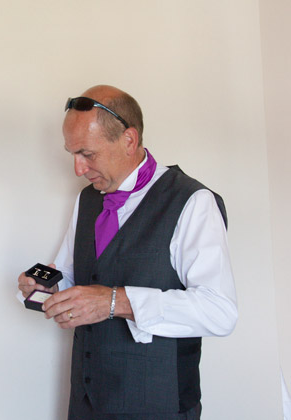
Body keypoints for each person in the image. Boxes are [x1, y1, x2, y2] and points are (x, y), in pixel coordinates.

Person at [18, 85, 238, 420]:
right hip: (86, 402)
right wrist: (48, 289)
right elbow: (75, 277)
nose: (78, 169)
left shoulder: (193, 202)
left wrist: (113, 302)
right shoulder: (86, 199)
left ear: (129, 140)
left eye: (87, 154)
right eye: (72, 154)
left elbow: (220, 311)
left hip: (159, 404)